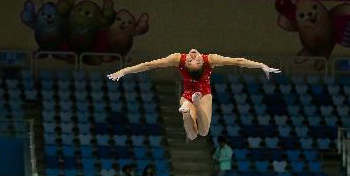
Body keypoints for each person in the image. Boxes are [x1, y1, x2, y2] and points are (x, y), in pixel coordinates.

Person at [107, 49, 280, 141]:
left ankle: (189, 110)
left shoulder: (184, 58)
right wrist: (261, 66)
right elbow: (151, 65)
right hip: (202, 94)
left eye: (193, 60)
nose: (193, 56)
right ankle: (190, 108)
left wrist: (124, 70)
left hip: (193, 95)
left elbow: (238, 61)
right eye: (192, 60)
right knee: (198, 134)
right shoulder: (207, 59)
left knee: (199, 133)